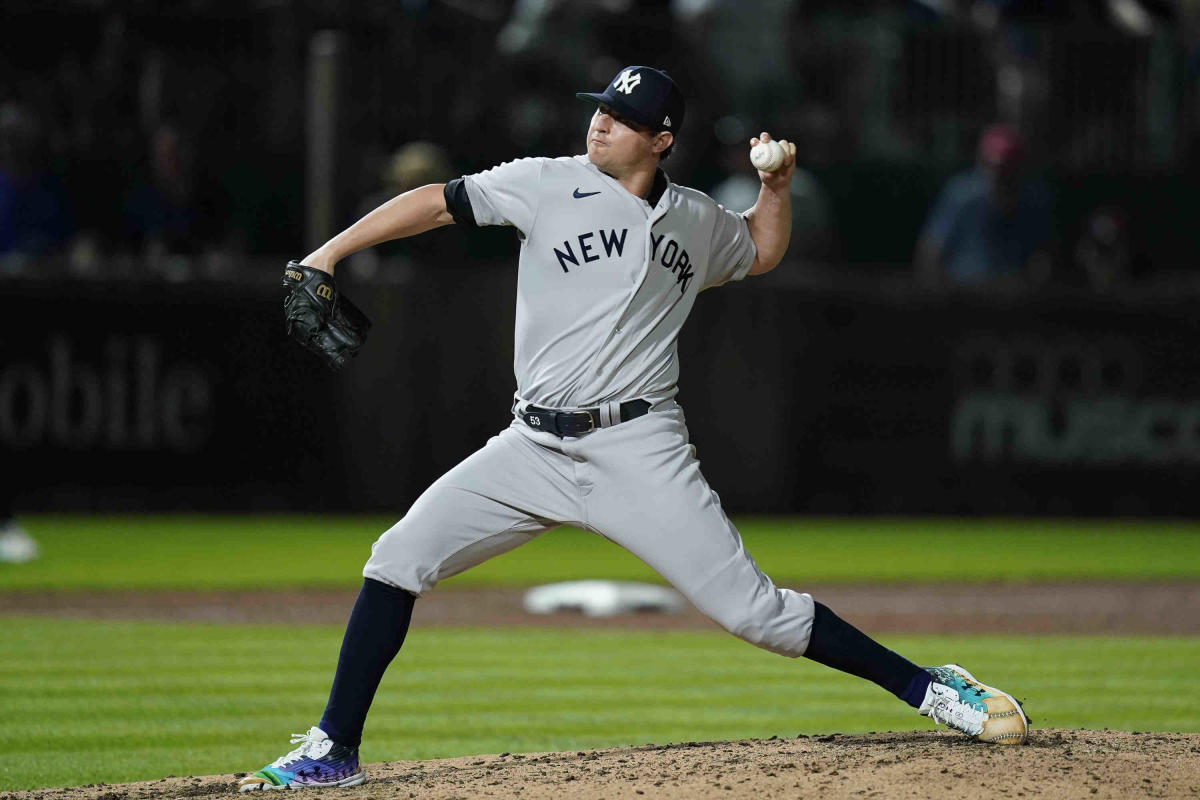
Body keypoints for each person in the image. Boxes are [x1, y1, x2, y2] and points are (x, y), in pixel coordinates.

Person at [238, 66, 1028, 792]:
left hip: (637, 447)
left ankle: (931, 686)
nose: (602, 125)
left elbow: (757, 249)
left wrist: (778, 186)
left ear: (662, 139)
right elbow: (438, 202)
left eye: (623, 117)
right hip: (532, 446)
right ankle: (333, 749)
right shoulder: (545, 183)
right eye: (602, 110)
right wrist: (328, 253)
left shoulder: (696, 218)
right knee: (398, 556)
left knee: (756, 613)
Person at [915, 123, 1052, 288]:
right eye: (994, 166)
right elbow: (930, 253)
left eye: (1009, 167)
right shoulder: (960, 195)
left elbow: (1044, 255)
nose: (1000, 174)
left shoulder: (1034, 199)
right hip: (964, 295)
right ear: (982, 162)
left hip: (1018, 297)